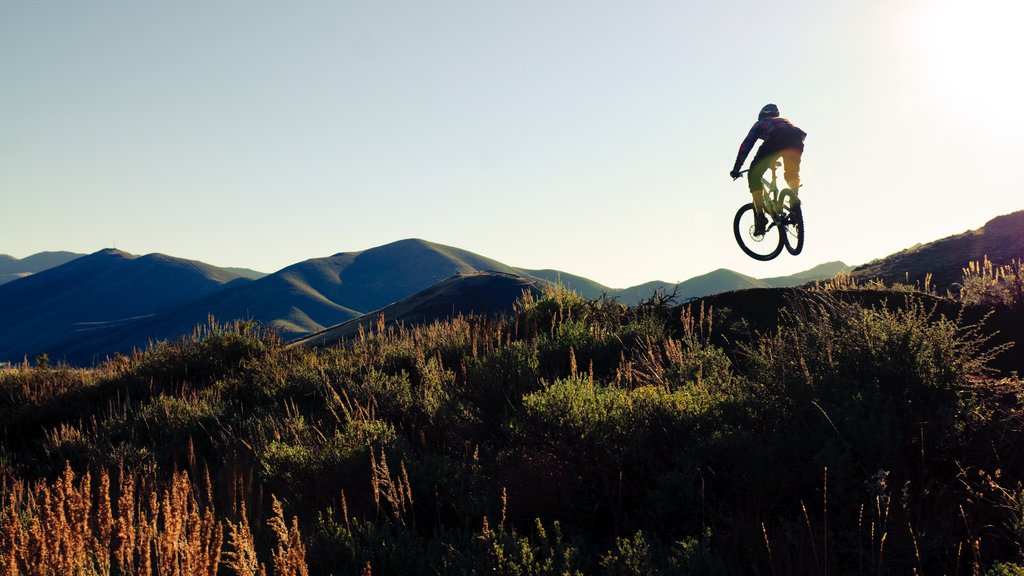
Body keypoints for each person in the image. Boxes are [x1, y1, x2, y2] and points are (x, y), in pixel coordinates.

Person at [730, 103, 807, 235]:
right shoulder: (784, 121)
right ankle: (795, 204)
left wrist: (736, 168)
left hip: (776, 138)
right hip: (796, 139)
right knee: (791, 174)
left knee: (754, 175)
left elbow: (746, 145)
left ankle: (760, 217)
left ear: (762, 115)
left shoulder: (760, 123)